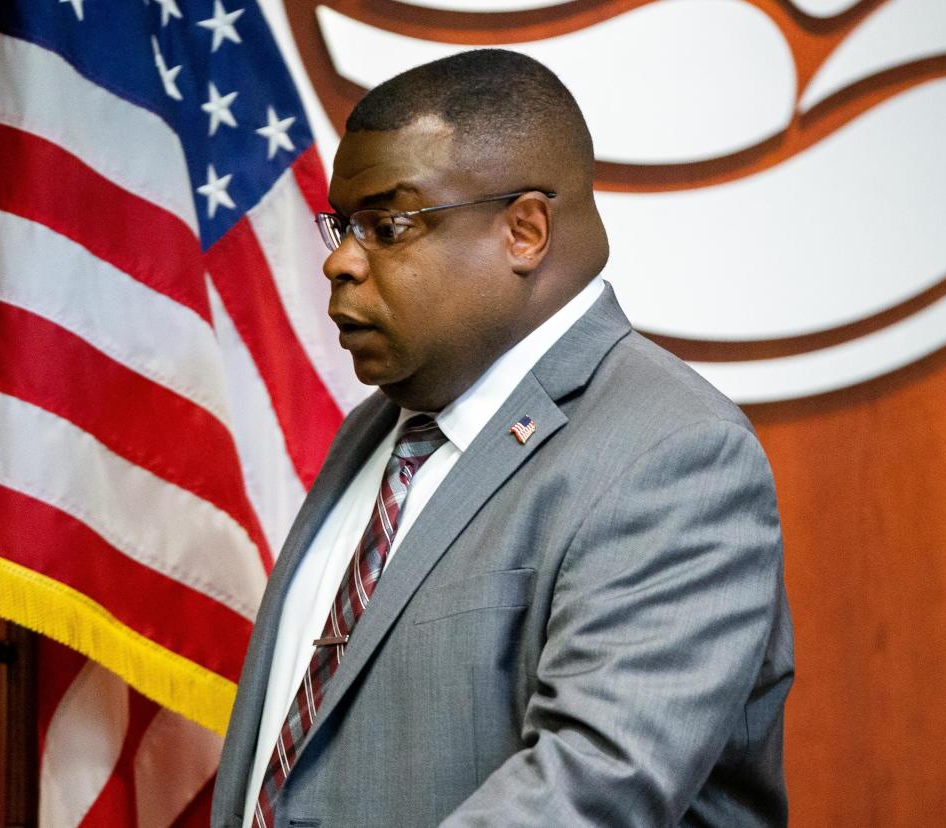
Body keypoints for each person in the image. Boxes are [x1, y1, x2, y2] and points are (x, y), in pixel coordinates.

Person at [212, 49, 793, 827]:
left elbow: (592, 787)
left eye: (389, 224)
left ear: (524, 230)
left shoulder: (672, 453)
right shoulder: (373, 436)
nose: (342, 262)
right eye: (343, 226)